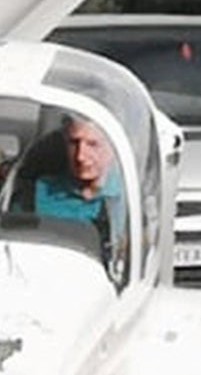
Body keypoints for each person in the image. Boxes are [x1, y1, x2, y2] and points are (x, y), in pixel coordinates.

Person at [31, 114, 129, 268]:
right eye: (74, 143)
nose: (80, 156)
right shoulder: (39, 191)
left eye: (93, 144)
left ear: (113, 148)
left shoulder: (131, 198)